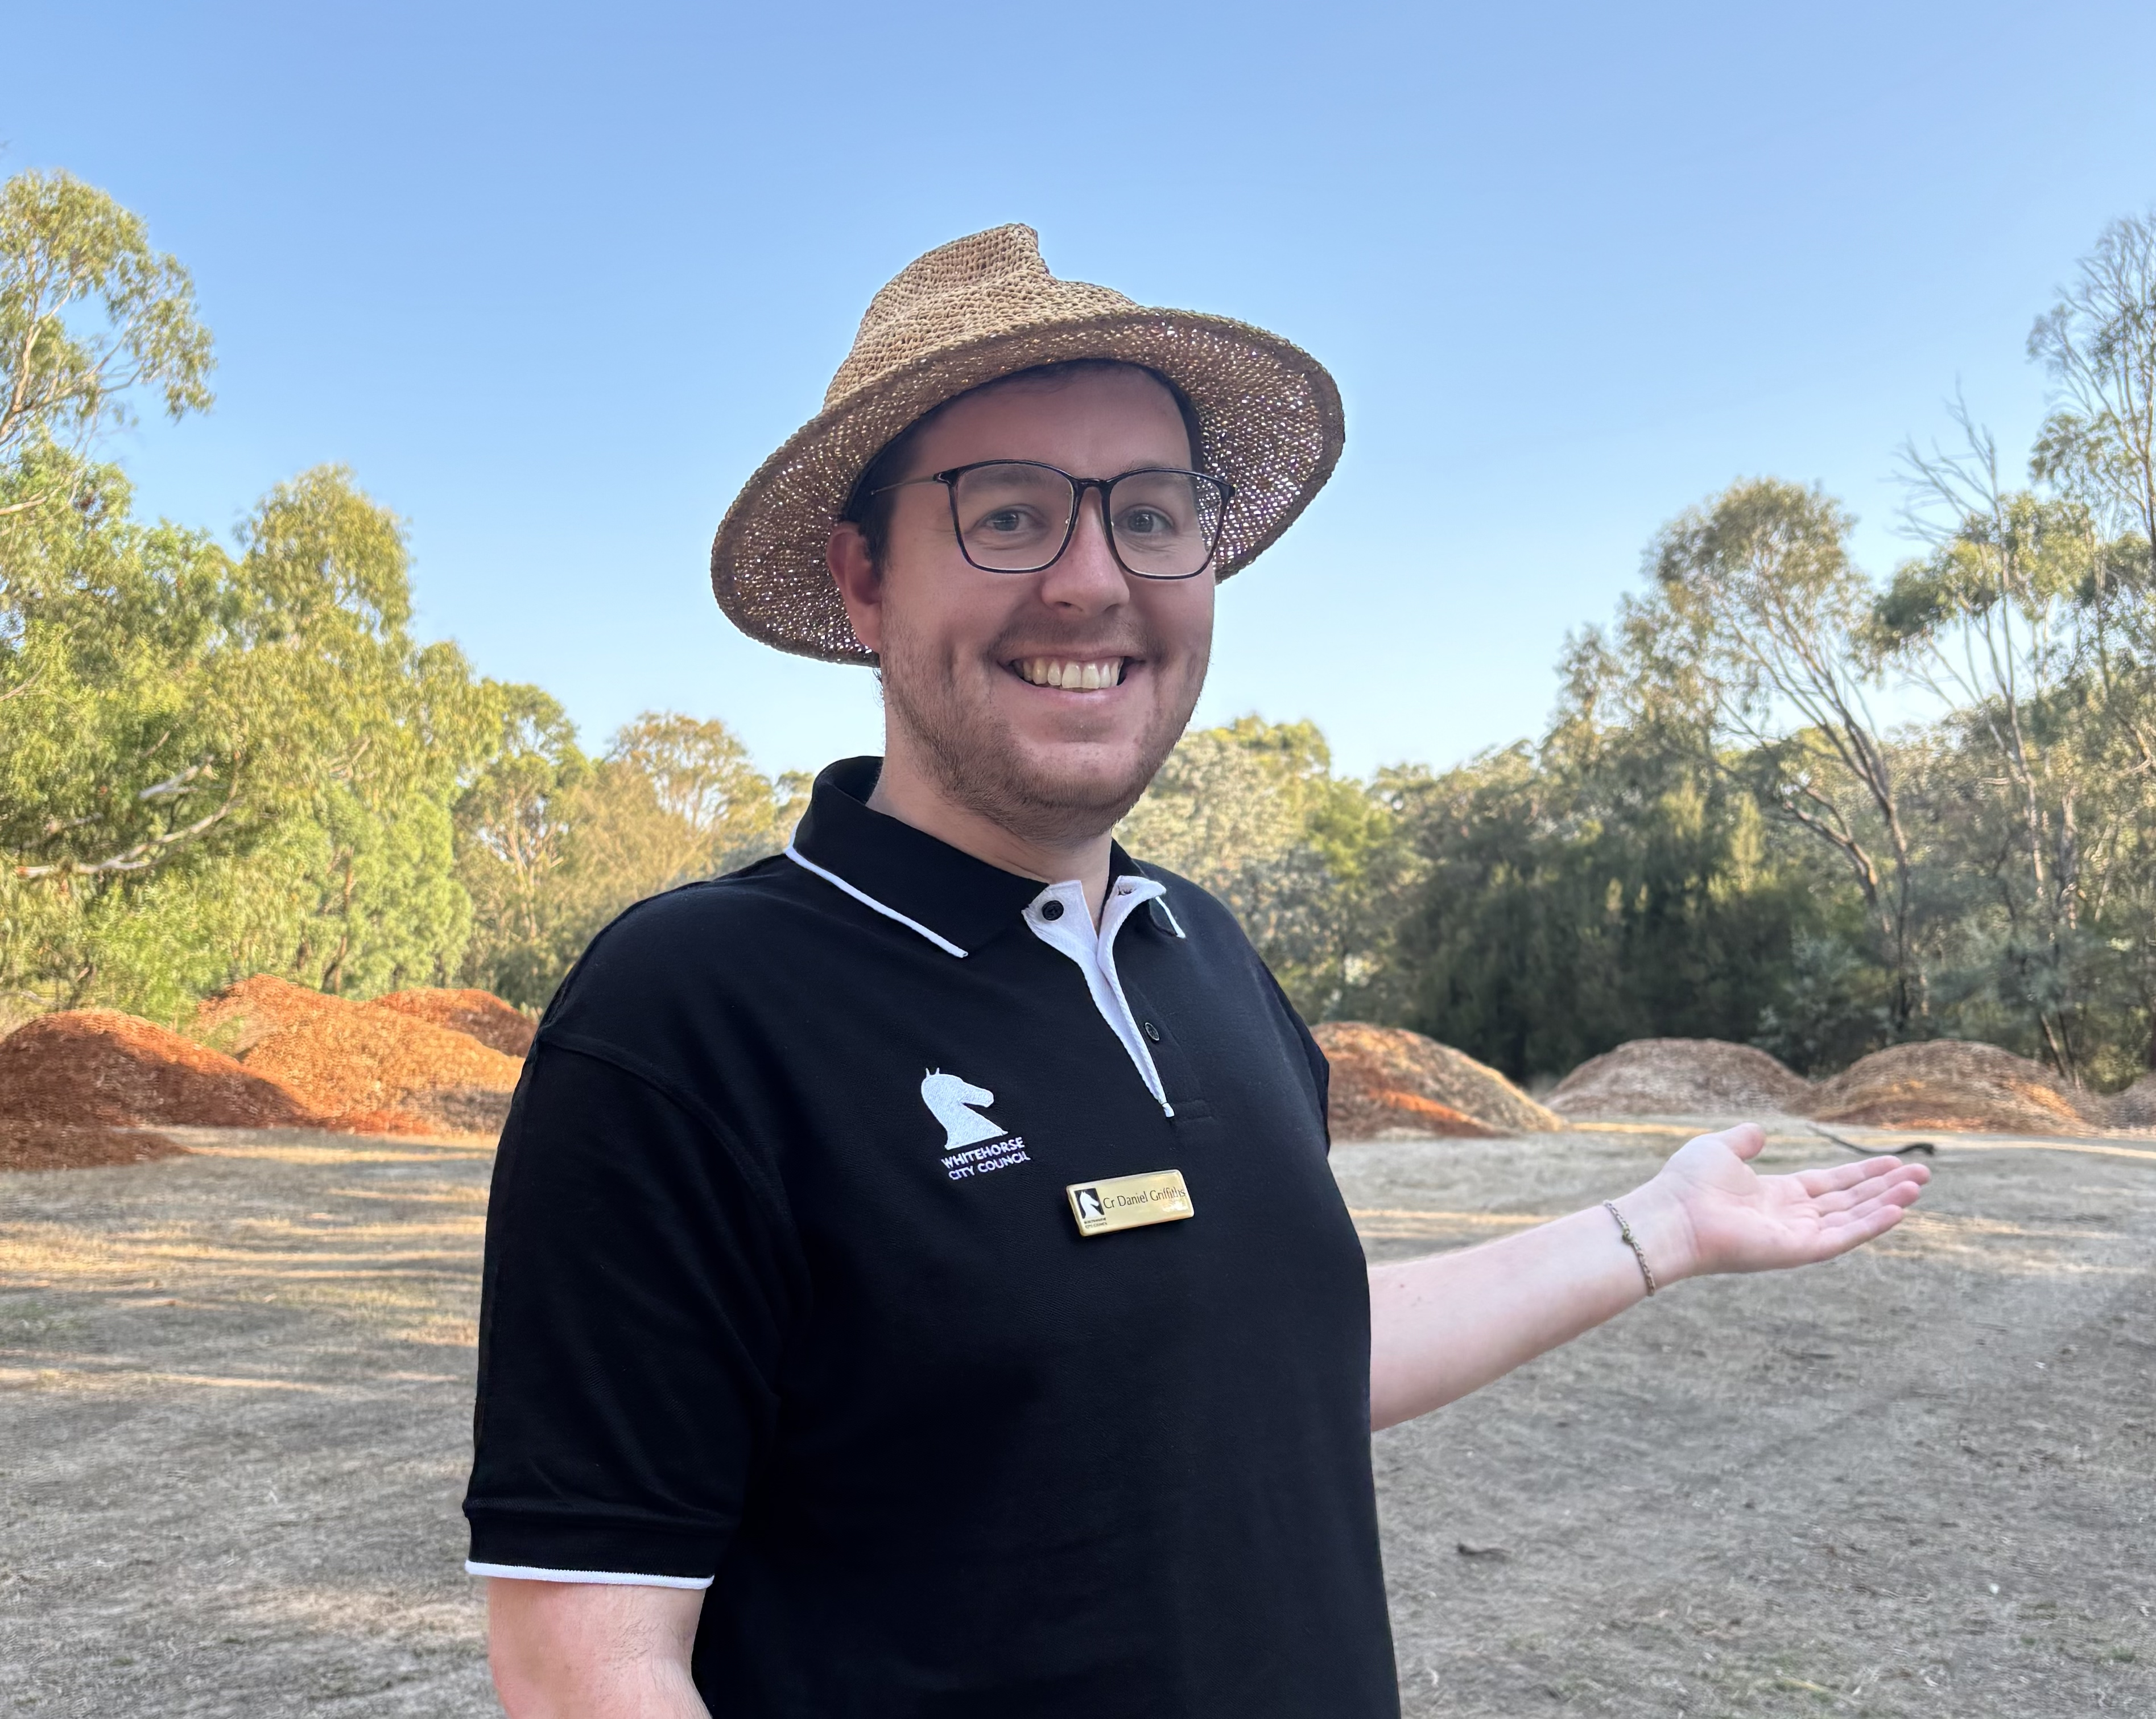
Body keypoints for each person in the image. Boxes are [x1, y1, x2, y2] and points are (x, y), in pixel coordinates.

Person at [463, 226, 1930, 1718]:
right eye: (1011, 513)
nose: (1095, 583)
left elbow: (1275, 1363)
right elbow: (585, 1664)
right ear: (863, 580)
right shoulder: (692, 1017)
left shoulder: (1202, 951)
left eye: (1152, 516)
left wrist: (1656, 1227)